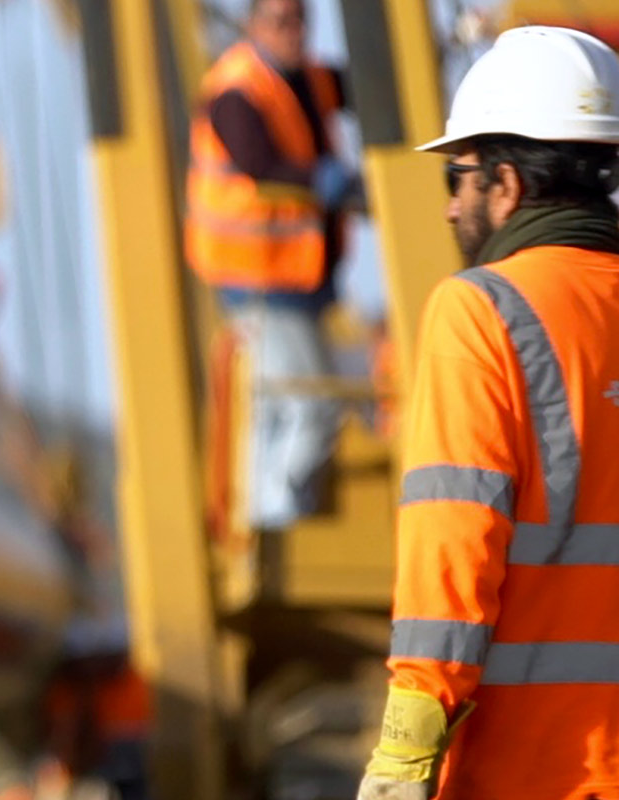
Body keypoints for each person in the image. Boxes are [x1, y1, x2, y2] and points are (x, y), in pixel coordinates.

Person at [358, 26, 619, 800]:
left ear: (505, 184)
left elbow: (453, 543)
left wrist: (403, 759)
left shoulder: (481, 311)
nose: (449, 209)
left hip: (535, 772)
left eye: (459, 177)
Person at [186, 0, 358, 530]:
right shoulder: (237, 88)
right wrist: (326, 182)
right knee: (312, 404)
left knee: (274, 408)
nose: (293, 33)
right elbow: (257, 161)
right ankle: (277, 519)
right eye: (280, 22)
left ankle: (264, 514)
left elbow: (362, 85)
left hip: (295, 281)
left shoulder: (308, 78)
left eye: (300, 21)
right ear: (253, 25)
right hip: (259, 281)